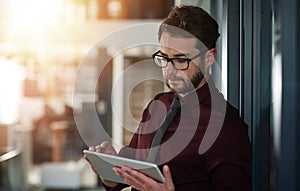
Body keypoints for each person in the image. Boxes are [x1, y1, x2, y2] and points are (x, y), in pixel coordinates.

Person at [85, 5, 251, 191]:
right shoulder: (157, 105)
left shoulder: (226, 127)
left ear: (209, 58)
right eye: (164, 57)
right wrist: (110, 170)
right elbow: (131, 176)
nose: (169, 70)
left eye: (181, 60)